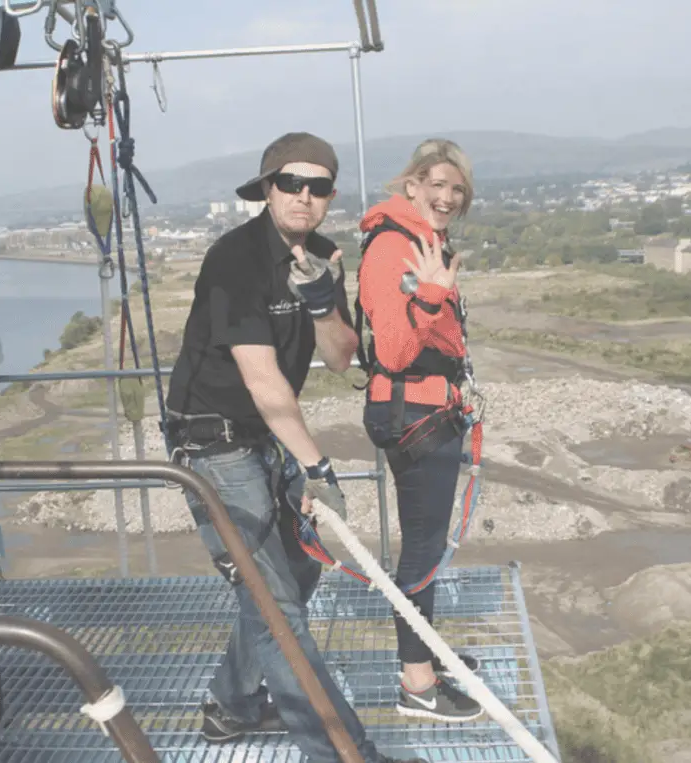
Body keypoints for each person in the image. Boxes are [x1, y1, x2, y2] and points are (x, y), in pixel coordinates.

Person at [165, 132, 426, 763]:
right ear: (266, 188)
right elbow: (262, 381)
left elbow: (340, 358)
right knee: (278, 609)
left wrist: (320, 304)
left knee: (296, 570)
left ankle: (229, 705)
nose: (304, 197)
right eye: (291, 183)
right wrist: (316, 464)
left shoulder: (324, 256)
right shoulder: (235, 261)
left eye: (318, 187)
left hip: (262, 436)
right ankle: (344, 754)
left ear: (329, 196)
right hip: (212, 441)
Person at [354, 139, 484, 723]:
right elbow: (397, 350)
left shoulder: (421, 242)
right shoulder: (391, 248)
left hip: (431, 411)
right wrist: (433, 295)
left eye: (457, 190)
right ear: (410, 187)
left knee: (426, 546)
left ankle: (425, 656)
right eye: (436, 185)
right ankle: (417, 684)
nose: (448, 197)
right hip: (417, 416)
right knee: (423, 553)